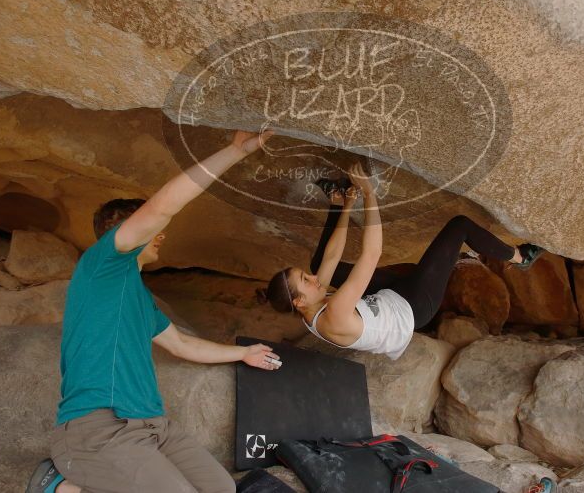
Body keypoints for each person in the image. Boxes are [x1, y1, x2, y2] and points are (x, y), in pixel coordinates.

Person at [27, 129, 280, 493]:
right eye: (151, 227)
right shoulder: (101, 266)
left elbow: (181, 345)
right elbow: (162, 207)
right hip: (100, 428)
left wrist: (245, 353)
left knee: (222, 489)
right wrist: (235, 151)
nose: (162, 233)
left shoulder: (139, 298)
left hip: (154, 427)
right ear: (118, 231)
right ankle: (61, 486)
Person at [261, 163, 544, 360]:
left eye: (305, 276)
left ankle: (337, 197)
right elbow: (371, 255)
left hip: (385, 297)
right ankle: (520, 257)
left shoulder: (311, 305)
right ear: (299, 301)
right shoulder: (333, 314)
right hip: (413, 307)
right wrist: (369, 194)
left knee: (322, 260)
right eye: (306, 281)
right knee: (460, 227)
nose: (313, 279)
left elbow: (333, 256)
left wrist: (348, 203)